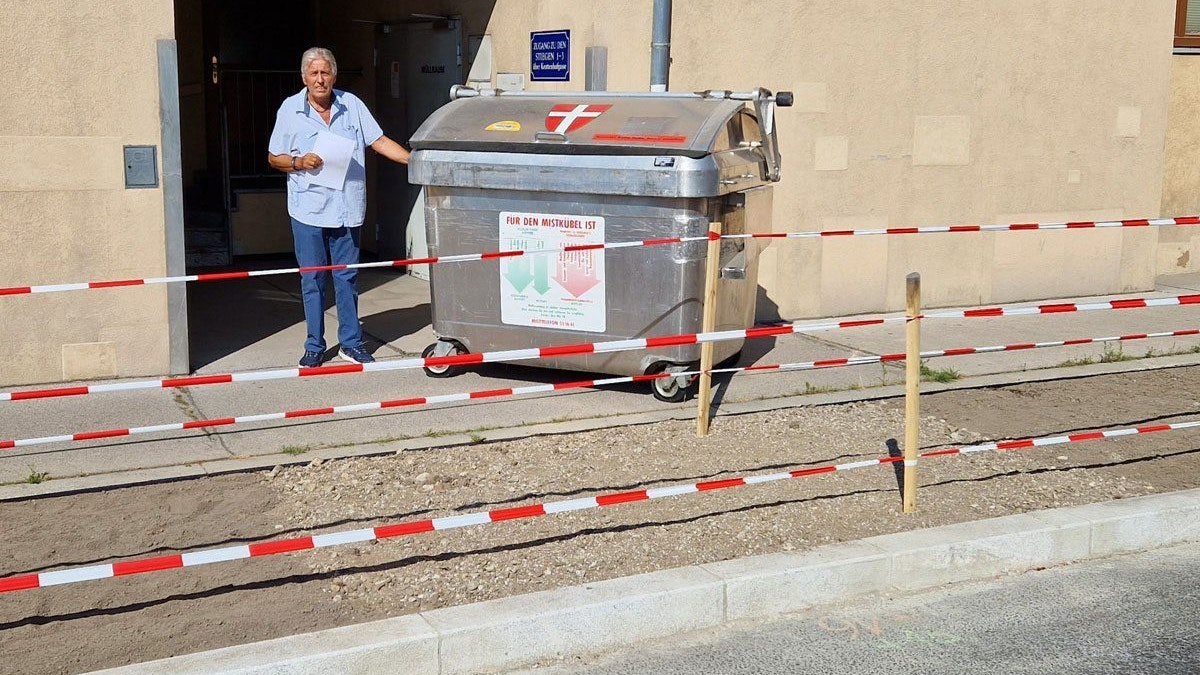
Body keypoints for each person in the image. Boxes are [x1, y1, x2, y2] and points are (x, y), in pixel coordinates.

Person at [268, 47, 411, 367]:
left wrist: (414, 161)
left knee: (347, 278)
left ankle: (351, 342)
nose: (320, 80)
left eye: (325, 73)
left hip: (346, 207)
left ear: (334, 75)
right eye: (314, 73)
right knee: (313, 279)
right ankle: (314, 345)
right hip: (308, 209)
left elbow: (379, 141)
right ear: (304, 77)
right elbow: (273, 157)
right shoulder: (290, 110)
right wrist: (299, 162)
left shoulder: (352, 105)